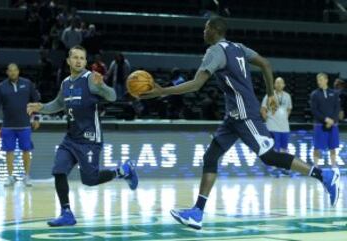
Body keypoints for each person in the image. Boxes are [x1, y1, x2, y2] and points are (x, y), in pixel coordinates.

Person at [141, 17, 340, 230]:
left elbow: (196, 85)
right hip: (233, 117)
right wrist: (271, 93)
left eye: (206, 27)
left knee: (270, 156)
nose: (203, 31)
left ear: (214, 30)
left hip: (245, 115)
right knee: (211, 157)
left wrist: (162, 91)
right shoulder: (238, 47)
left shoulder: (215, 51)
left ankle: (324, 175)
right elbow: (265, 63)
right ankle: (197, 212)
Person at [27, 45, 138, 227]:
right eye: (75, 57)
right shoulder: (65, 83)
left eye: (82, 58)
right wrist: (41, 106)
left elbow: (112, 96)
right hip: (70, 139)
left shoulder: (90, 79)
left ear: (85, 62)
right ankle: (66, 213)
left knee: (90, 180)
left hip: (89, 140)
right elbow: (58, 104)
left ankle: (123, 171)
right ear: (68, 61)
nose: (78, 60)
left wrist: (102, 85)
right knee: (59, 171)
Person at [0, 63, 40, 187]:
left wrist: (36, 118)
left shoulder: (28, 83)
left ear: (18, 71)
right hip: (7, 126)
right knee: (9, 151)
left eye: (15, 70)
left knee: (26, 150)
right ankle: (10, 177)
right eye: (10, 71)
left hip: (25, 125)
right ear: (7, 72)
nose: (13, 73)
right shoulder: (0, 87)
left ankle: (26, 176)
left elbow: (35, 100)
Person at [261, 77, 292, 177]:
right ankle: (274, 169)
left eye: (281, 83)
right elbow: (263, 109)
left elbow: (289, 109)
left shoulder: (287, 96)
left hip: (284, 127)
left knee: (284, 148)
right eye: (277, 83)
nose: (279, 85)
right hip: (272, 126)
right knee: (274, 149)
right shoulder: (269, 95)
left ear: (284, 85)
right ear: (274, 85)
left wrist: (284, 118)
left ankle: (283, 168)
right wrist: (267, 120)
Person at [311, 73, 340, 169]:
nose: (319, 82)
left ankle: (333, 166)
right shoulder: (314, 94)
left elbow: (337, 108)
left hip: (333, 124)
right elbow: (314, 110)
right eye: (318, 80)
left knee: (333, 146)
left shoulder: (334, 93)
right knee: (317, 146)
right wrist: (325, 119)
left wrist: (332, 120)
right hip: (319, 125)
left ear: (326, 80)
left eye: (321, 80)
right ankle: (315, 166)